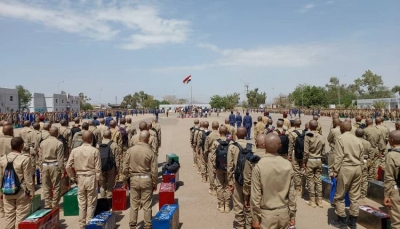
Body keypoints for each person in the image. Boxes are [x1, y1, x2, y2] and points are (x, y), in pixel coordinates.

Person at [250, 134, 296, 229]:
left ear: (263, 145)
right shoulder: (287, 165)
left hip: (266, 215)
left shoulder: (259, 166)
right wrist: (292, 215)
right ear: (280, 146)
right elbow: (292, 194)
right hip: (284, 213)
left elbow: (255, 196)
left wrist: (255, 218)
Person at [66, 131, 102, 229]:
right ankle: (89, 222)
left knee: (82, 203)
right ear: (91, 139)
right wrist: (100, 181)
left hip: (80, 178)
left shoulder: (75, 150)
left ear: (82, 139)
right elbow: (98, 169)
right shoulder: (95, 151)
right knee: (91, 202)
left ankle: (82, 224)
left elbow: (68, 166)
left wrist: (73, 178)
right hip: (91, 178)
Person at [331, 121, 363, 228]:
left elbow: (339, 156)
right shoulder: (358, 139)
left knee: (339, 196)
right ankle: (353, 222)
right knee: (355, 196)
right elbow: (361, 157)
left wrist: (335, 171)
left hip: (346, 168)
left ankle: (342, 220)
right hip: (357, 168)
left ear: (342, 128)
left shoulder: (340, 139)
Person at [123, 130, 157, 229]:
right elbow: (154, 170)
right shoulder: (150, 151)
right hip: (146, 179)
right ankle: (147, 225)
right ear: (148, 139)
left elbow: (125, 167)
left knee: (134, 205)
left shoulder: (130, 150)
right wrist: (154, 183)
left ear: (139, 139)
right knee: (147, 206)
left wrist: (125, 180)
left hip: (133, 179)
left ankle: (132, 225)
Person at [0, 137, 35, 229]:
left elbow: (0, 178)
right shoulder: (25, 159)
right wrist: (31, 191)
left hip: (6, 191)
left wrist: (0, 192)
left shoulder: (3, 159)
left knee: (9, 216)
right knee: (21, 216)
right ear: (22, 146)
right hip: (21, 191)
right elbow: (28, 177)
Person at [228, 127, 255, 229]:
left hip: (237, 178)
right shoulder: (252, 146)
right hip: (250, 179)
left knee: (238, 203)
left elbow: (230, 166)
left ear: (236, 134)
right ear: (246, 134)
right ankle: (248, 225)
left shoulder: (232, 146)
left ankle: (240, 225)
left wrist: (230, 182)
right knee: (248, 204)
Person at [40, 127, 64, 208]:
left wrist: (41, 168)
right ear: (57, 133)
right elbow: (60, 159)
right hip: (54, 165)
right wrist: (62, 170)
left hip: (44, 165)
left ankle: (48, 203)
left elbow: (40, 156)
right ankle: (55, 204)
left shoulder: (43, 142)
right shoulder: (59, 143)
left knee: (46, 186)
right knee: (56, 186)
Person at [210, 125, 232, 213]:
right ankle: (227, 206)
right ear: (227, 133)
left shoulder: (216, 142)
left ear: (219, 132)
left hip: (219, 167)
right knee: (227, 186)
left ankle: (221, 205)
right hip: (228, 168)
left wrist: (214, 167)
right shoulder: (231, 143)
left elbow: (213, 156)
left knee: (219, 186)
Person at [304, 120, 325, 208]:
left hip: (310, 160)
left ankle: (312, 200)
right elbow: (323, 152)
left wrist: (304, 162)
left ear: (309, 126)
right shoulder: (321, 136)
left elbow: (306, 151)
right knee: (318, 180)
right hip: (318, 160)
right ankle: (319, 200)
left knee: (310, 180)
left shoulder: (308, 136)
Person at [384, 130, 400, 228]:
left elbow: (389, 177)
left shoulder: (391, 155)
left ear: (392, 140)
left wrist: (387, 195)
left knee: (397, 221)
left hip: (396, 190)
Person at [99, 130, 118, 202]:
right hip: (111, 167)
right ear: (110, 136)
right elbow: (117, 158)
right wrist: (117, 168)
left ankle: (103, 201)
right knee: (110, 186)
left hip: (101, 167)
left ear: (103, 136)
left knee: (102, 185)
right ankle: (109, 202)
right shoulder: (114, 144)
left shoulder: (98, 144)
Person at [355, 128, 373, 202]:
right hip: (364, 161)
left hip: (356, 161)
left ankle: (356, 194)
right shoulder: (367, 143)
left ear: (355, 134)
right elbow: (370, 153)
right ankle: (363, 195)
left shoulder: (354, 141)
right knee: (364, 178)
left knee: (356, 178)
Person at [288, 119, 304, 196]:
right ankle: (303, 186)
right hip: (304, 153)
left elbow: (290, 146)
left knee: (296, 170)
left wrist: (289, 155)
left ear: (294, 124)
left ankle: (298, 188)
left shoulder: (292, 134)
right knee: (303, 169)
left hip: (295, 153)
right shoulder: (305, 132)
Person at [0, 124, 14, 218]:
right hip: (11, 164)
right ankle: (11, 207)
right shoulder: (13, 140)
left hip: (0, 163)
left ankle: (2, 210)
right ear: (10, 131)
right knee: (12, 184)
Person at [204, 121, 220, 194]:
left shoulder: (209, 136)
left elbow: (206, 149)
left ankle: (212, 188)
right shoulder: (222, 134)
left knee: (211, 172)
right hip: (221, 155)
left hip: (212, 154)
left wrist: (205, 157)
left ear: (212, 127)